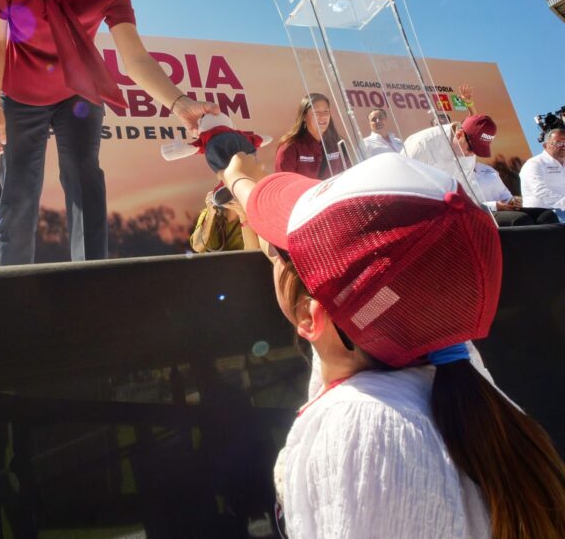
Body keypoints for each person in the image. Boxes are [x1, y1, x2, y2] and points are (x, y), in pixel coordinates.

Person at [221, 151, 565, 538]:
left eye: (286, 255)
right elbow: (366, 295)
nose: (275, 255)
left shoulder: (363, 429)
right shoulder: (459, 367)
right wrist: (240, 181)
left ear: (308, 314)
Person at [0, 0, 218, 265]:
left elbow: (136, 58)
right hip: (21, 96)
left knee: (85, 183)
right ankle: (11, 290)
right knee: (18, 195)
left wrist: (181, 104)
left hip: (78, 94)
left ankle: (91, 284)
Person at [273, 93, 345, 178]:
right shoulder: (289, 147)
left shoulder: (338, 144)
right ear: (304, 117)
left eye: (326, 112)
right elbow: (285, 183)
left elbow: (348, 177)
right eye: (316, 112)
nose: (322, 116)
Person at [520, 126, 565, 210]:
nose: (563, 146)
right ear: (545, 145)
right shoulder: (534, 163)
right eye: (558, 143)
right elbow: (540, 190)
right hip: (541, 214)